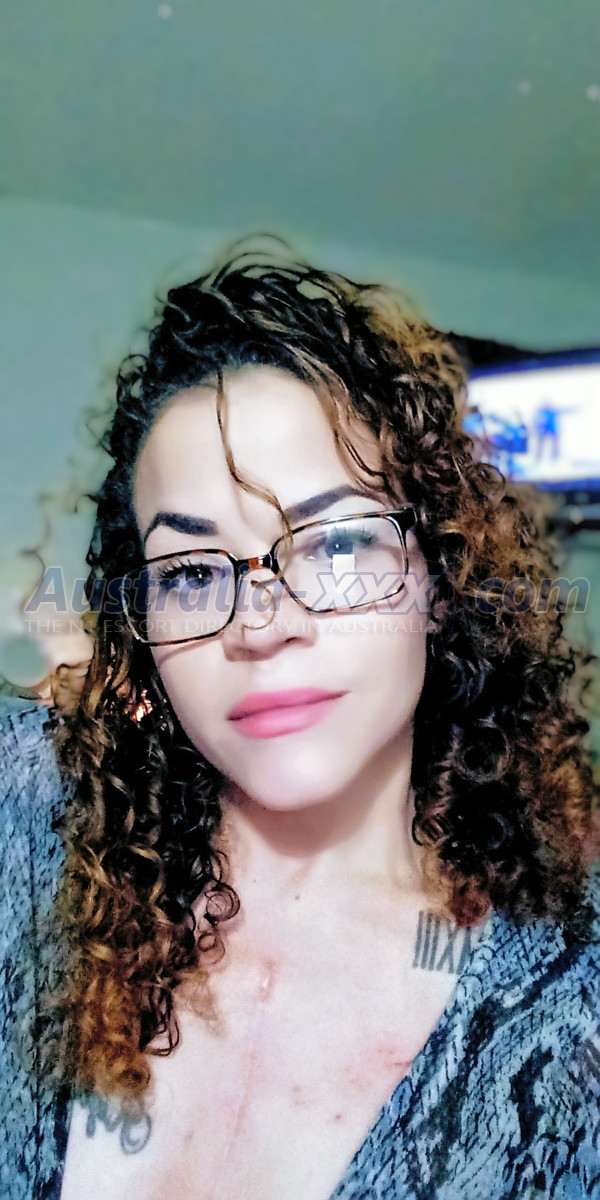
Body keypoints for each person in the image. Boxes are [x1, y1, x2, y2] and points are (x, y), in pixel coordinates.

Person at [1, 241, 599, 1200]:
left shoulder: (570, 1020)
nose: (262, 624)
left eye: (337, 545)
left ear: (441, 581)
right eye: (192, 572)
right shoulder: (25, 834)